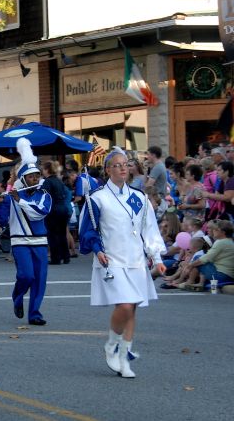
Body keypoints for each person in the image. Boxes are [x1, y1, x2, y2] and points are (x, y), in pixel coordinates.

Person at [80, 146, 166, 379]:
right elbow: (88, 231)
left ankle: (124, 355)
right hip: (112, 260)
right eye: (116, 165)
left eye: (125, 165)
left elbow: (149, 231)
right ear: (108, 170)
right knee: (125, 305)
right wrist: (97, 250)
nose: (121, 168)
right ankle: (111, 345)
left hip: (136, 260)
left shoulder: (139, 198)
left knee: (133, 308)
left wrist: (156, 257)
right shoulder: (97, 198)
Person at [8, 139, 52, 325]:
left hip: (40, 242)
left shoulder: (44, 195)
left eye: (37, 176)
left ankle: (34, 313)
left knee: (39, 280)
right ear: (23, 178)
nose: (35, 179)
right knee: (26, 275)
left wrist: (20, 201)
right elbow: (1, 217)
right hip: (19, 242)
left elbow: (39, 213)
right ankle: (17, 296)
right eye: (31, 176)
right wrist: (0, 203)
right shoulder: (13, 194)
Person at [41, 161, 72, 265]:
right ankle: (66, 256)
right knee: (62, 233)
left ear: (47, 170)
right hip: (63, 208)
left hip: (53, 210)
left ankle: (56, 258)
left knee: (52, 234)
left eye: (43, 169)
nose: (42, 171)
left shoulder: (47, 182)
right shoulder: (59, 181)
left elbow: (45, 197)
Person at [188, 219, 234, 288]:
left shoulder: (221, 242)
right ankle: (198, 283)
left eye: (216, 229)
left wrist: (190, 265)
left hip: (221, 276)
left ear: (223, 232)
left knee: (198, 259)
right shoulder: (230, 241)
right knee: (199, 260)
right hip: (228, 276)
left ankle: (190, 282)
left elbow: (205, 258)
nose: (213, 231)